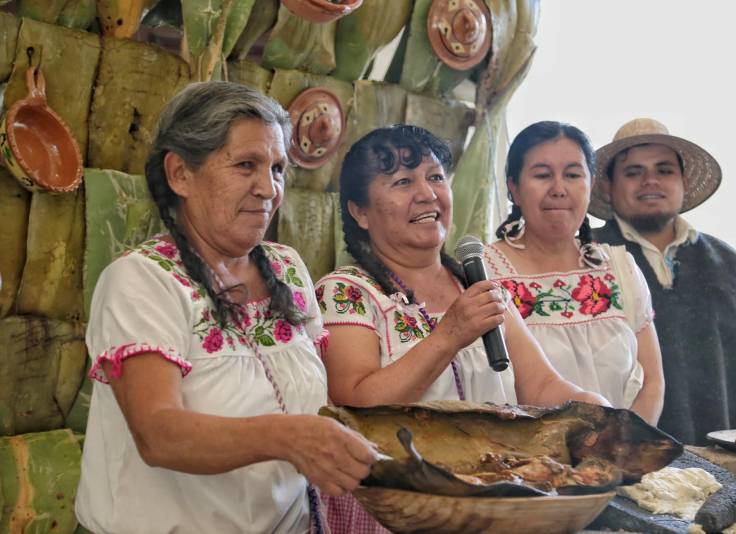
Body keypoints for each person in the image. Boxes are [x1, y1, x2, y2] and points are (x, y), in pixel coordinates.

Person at [75, 81, 377, 533]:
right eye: (245, 165)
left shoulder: (287, 268)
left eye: (277, 168)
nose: (268, 189)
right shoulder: (141, 281)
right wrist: (286, 436)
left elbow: (324, 403)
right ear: (180, 173)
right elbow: (158, 434)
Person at [314, 124, 609, 534]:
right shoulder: (346, 293)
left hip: (497, 508)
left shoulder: (480, 288)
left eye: (435, 177)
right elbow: (358, 408)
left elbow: (539, 386)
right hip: (400, 515)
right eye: (402, 181)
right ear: (359, 211)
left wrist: (594, 410)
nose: (427, 193)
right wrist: (448, 336)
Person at [590, 117, 736, 445]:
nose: (650, 181)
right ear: (608, 186)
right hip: (622, 454)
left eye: (664, 170)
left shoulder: (726, 261)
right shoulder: (588, 257)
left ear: (683, 180)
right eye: (633, 172)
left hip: (722, 455)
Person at [487, 121, 664, 425]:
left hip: (621, 460)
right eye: (542, 175)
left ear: (590, 184)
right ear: (514, 188)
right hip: (523, 462)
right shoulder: (485, 272)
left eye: (572, 175)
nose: (558, 189)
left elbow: (652, 382)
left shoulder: (620, 268)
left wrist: (624, 452)